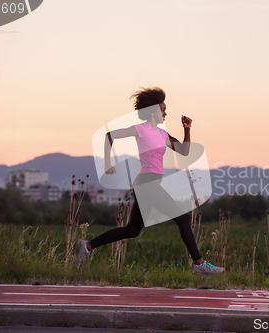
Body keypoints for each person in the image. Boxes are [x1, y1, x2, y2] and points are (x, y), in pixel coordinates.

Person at [74, 87, 224, 276]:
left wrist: (187, 129)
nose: (165, 112)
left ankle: (86, 246)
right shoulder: (141, 130)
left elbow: (184, 151)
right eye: (163, 109)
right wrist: (106, 164)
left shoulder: (162, 134)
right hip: (146, 183)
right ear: (153, 110)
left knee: (132, 230)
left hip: (150, 183)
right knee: (184, 218)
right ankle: (199, 264)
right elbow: (109, 135)